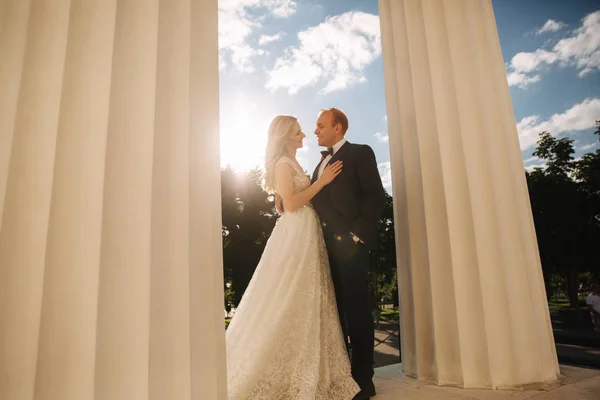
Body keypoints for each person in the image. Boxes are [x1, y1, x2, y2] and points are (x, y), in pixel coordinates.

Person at [226, 115, 360, 400]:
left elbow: (287, 202)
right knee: (290, 294)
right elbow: (292, 202)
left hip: (306, 230)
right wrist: (322, 182)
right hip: (297, 232)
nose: (304, 136)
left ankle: (308, 366)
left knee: (309, 296)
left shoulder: (295, 164)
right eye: (298, 133)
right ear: (286, 137)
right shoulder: (284, 164)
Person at [278, 108, 386, 400]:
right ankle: (341, 374)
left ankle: (364, 379)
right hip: (320, 249)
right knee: (333, 314)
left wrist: (357, 236)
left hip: (350, 248)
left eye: (320, 125)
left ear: (338, 128)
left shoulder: (360, 153)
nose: (315, 131)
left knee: (357, 311)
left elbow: (376, 196)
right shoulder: (317, 165)